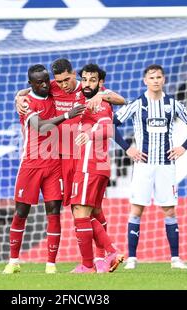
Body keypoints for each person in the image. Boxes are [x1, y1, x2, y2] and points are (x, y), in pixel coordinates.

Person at [15, 58, 127, 266]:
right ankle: (102, 258)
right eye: (59, 81)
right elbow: (29, 91)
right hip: (65, 158)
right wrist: (19, 96)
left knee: (89, 209)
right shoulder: (53, 87)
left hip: (87, 157)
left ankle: (103, 256)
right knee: (85, 210)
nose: (63, 84)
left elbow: (121, 100)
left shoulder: (88, 88)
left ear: (73, 73)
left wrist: (102, 94)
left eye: (67, 79)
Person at [114, 64, 187, 269]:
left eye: (158, 77)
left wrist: (183, 147)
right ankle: (132, 259)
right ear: (145, 81)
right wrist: (128, 148)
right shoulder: (137, 104)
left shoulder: (173, 104)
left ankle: (175, 259)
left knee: (169, 210)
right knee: (136, 210)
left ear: (164, 80)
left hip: (166, 165)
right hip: (143, 165)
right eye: (151, 77)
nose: (155, 80)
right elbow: (112, 123)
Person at [3, 65, 86, 274]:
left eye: (46, 80)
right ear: (30, 83)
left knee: (54, 212)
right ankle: (13, 261)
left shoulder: (53, 91)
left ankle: (51, 264)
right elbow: (41, 127)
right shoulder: (26, 103)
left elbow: (78, 88)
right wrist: (67, 116)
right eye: (39, 82)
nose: (44, 85)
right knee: (21, 212)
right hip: (31, 164)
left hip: (54, 164)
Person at [70, 64, 124, 273]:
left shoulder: (100, 102)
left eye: (92, 80)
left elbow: (106, 126)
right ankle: (101, 259)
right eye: (84, 79)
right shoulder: (86, 99)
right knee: (93, 213)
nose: (87, 83)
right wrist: (21, 95)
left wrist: (90, 134)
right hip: (96, 166)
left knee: (81, 213)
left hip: (89, 165)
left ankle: (98, 259)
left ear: (100, 83)